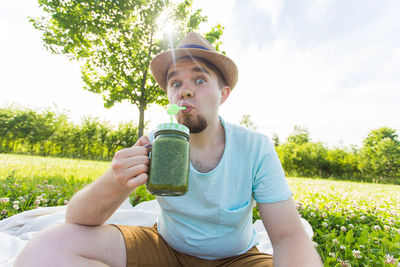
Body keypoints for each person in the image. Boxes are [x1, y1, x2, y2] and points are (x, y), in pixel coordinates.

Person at [15, 32, 323, 267]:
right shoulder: (157, 141)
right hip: (163, 248)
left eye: (200, 79)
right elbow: (77, 219)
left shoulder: (255, 147)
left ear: (223, 94)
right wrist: (114, 181)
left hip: (236, 259)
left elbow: (288, 236)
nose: (185, 90)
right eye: (175, 84)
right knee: (49, 245)